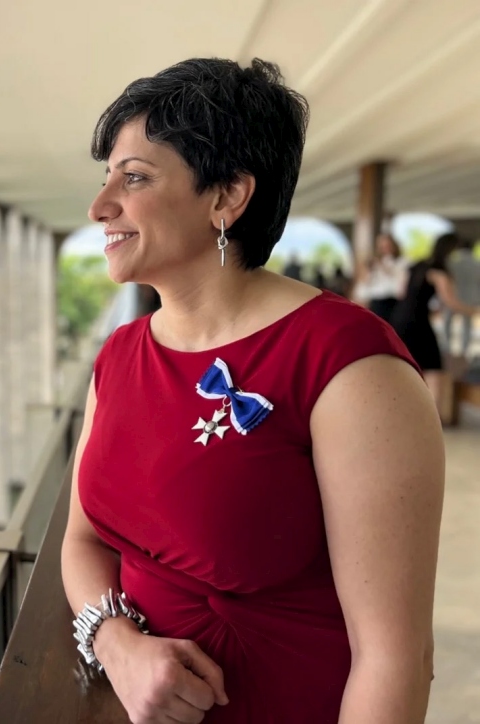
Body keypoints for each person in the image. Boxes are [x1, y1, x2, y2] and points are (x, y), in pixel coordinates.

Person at [61, 58, 443, 724]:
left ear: (227, 197)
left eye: (136, 178)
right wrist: (115, 642)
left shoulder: (348, 366)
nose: (100, 208)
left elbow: (394, 659)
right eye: (106, 179)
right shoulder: (119, 356)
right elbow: (82, 542)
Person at [390, 232, 480, 415]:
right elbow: (451, 302)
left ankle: (401, 413)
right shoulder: (439, 271)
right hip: (417, 323)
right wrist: (475, 311)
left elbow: (402, 294)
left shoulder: (417, 265)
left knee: (405, 367)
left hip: (399, 319)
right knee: (434, 370)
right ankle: (434, 419)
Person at [353, 233, 408, 321]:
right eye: (382, 247)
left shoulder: (400, 262)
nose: (385, 249)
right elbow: (365, 284)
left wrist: (381, 265)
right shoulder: (373, 264)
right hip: (375, 302)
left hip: (391, 301)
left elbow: (398, 281)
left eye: (387, 246)